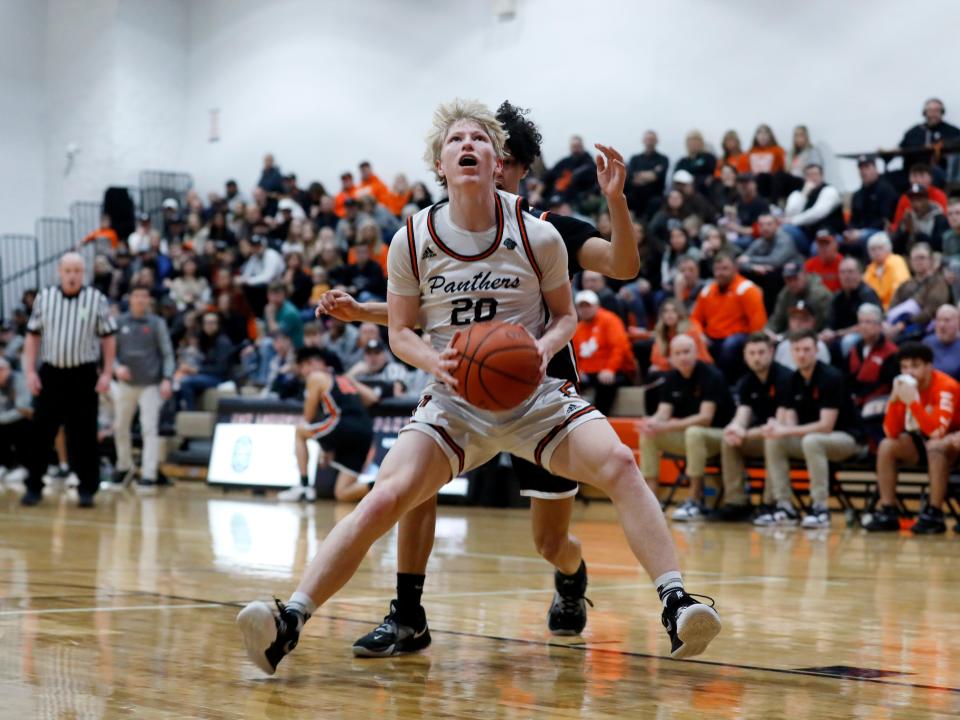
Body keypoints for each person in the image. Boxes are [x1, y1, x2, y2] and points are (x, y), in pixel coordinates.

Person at [237, 99, 720, 676]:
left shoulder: (543, 232)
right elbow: (405, 325)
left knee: (606, 474)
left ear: (504, 162)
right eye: (457, 140)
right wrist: (421, 353)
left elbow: (588, 296)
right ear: (439, 164)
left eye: (482, 141)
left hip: (536, 395)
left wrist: (543, 344)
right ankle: (295, 619)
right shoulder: (412, 238)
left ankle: (672, 600)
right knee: (393, 494)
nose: (470, 146)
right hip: (456, 399)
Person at [315, 100, 643, 646]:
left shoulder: (548, 230)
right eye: (478, 148)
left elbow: (622, 267)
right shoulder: (439, 229)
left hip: (539, 388)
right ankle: (407, 611)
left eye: (504, 155)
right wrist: (367, 312)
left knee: (548, 540)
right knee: (416, 486)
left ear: (516, 167)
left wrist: (617, 203)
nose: (488, 160)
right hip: (467, 384)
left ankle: (570, 573)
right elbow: (444, 313)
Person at [21, 253, 116, 507]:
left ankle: (87, 489)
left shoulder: (96, 299)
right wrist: (30, 370)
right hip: (51, 374)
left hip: (83, 375)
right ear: (59, 272)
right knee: (41, 433)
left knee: (84, 434)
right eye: (68, 270)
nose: (73, 275)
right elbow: (32, 336)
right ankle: (33, 486)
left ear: (83, 273)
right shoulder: (45, 297)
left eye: (77, 270)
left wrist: (107, 372)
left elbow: (108, 337)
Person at [755, 330, 863, 529]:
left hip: (846, 439)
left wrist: (785, 430)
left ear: (816, 351)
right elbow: (789, 420)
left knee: (811, 440)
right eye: (797, 350)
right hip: (811, 438)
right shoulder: (792, 380)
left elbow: (826, 426)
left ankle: (820, 507)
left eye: (806, 349)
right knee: (774, 440)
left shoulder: (831, 377)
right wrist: (775, 426)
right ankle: (783, 505)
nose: (801, 354)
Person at [863, 343, 960, 534]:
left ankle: (934, 513)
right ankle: (888, 510)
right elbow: (891, 432)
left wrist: (913, 403)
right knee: (887, 446)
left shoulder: (945, 386)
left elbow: (937, 431)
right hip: (925, 440)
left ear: (929, 366)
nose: (909, 372)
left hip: (953, 441)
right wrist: (895, 400)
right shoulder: (905, 387)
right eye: (904, 367)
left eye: (915, 366)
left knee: (935, 445)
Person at [640, 335, 734, 521]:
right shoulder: (670, 378)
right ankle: (651, 499)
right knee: (649, 435)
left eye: (686, 352)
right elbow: (663, 412)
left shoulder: (711, 375)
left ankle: (695, 499)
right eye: (678, 353)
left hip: (719, 436)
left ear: (696, 353)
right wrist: (653, 422)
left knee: (694, 432)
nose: (683, 357)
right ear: (671, 358)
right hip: (693, 438)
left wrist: (669, 425)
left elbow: (705, 418)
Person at [707, 334, 793, 522]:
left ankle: (770, 502)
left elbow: (780, 424)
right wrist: (734, 428)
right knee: (729, 440)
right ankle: (737, 501)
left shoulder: (785, 377)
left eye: (761, 352)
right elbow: (743, 413)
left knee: (773, 440)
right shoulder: (747, 381)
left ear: (771, 352)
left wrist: (744, 433)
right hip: (761, 435)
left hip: (785, 436)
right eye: (752, 353)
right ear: (745, 356)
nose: (757, 357)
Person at [278, 347, 378, 503]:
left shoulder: (316, 377)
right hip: (365, 432)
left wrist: (325, 447)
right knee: (342, 493)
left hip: (342, 423)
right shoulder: (344, 378)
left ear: (309, 364)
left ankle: (304, 486)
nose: (303, 373)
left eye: (302, 369)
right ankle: (382, 485)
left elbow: (308, 417)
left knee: (300, 432)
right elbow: (372, 398)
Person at [111, 284, 174, 493]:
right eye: (136, 296)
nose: (140, 300)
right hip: (125, 384)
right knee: (120, 427)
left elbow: (167, 353)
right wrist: (117, 368)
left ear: (149, 300)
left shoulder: (157, 323)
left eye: (144, 296)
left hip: (150, 384)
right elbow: (110, 353)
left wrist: (167, 378)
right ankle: (124, 466)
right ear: (130, 299)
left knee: (149, 428)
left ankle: (149, 474)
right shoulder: (119, 322)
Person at [690, 252, 767, 379]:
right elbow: (694, 318)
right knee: (692, 340)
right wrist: (700, 334)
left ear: (735, 268)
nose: (720, 273)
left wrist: (753, 347)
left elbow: (758, 324)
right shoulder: (707, 291)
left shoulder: (747, 289)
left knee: (730, 344)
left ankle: (723, 381)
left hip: (738, 338)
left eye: (725, 269)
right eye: (717, 269)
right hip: (712, 338)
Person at [572, 290, 635, 416]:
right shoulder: (578, 328)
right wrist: (578, 372)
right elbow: (575, 356)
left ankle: (601, 417)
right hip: (589, 373)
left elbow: (619, 347)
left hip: (616, 370)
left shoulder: (609, 320)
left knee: (605, 383)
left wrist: (610, 369)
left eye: (588, 306)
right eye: (581, 306)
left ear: (597, 305)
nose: (585, 310)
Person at [884, 242, 951, 342]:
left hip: (923, 328)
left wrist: (903, 324)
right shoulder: (905, 284)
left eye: (922, 257)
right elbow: (893, 305)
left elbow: (930, 312)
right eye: (915, 258)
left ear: (931, 260)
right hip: (896, 324)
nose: (918, 261)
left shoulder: (938, 282)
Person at [845, 303, 899, 414]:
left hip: (879, 402)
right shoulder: (854, 349)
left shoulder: (891, 352)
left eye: (868, 322)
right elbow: (846, 378)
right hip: (854, 401)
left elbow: (888, 384)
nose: (863, 326)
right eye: (861, 322)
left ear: (879, 326)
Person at [174, 312, 233, 411]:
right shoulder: (207, 340)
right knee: (177, 381)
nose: (209, 326)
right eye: (206, 323)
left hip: (220, 378)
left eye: (212, 323)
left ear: (218, 324)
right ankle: (175, 416)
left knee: (186, 382)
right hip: (207, 375)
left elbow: (221, 369)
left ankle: (191, 414)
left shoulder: (223, 342)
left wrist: (196, 370)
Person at [782, 164, 844, 252]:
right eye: (809, 175)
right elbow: (790, 213)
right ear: (804, 178)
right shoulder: (798, 193)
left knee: (816, 248)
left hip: (828, 234)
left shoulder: (830, 190)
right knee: (786, 228)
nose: (812, 178)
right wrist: (804, 194)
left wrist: (793, 221)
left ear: (822, 176)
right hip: (806, 235)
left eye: (815, 174)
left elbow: (818, 213)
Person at [844, 155, 897, 253]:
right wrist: (850, 231)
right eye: (861, 168)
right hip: (859, 233)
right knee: (838, 240)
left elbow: (885, 219)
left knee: (866, 238)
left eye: (867, 167)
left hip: (880, 232)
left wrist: (861, 232)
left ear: (875, 168)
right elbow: (853, 219)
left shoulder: (885, 190)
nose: (863, 171)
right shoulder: (857, 195)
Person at [766, 262, 832, 335]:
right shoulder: (785, 294)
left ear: (804, 275)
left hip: (818, 336)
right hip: (791, 335)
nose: (792, 283)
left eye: (795, 278)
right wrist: (767, 332)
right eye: (788, 279)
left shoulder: (820, 295)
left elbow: (823, 322)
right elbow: (777, 319)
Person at [898, 98, 960, 175]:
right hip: (912, 172)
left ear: (942, 112)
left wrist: (941, 145)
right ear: (924, 113)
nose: (933, 114)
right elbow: (900, 148)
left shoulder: (952, 131)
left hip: (941, 172)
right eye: (930, 111)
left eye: (937, 110)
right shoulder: (913, 132)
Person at [772, 302, 831, 370]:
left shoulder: (820, 346)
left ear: (813, 321)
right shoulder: (782, 346)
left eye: (803, 319)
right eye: (794, 318)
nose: (798, 323)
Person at [0, 357, 31, 485]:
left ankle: (22, 466)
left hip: (25, 420)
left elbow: (23, 409)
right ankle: (4, 465)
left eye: (1, 370)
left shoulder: (19, 380)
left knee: (20, 425)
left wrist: (1, 418)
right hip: (4, 420)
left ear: (9, 369)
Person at [891, 184, 948, 254]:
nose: (915, 204)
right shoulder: (907, 218)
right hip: (909, 257)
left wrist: (916, 233)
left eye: (919, 200)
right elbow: (895, 248)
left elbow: (939, 247)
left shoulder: (939, 218)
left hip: (931, 257)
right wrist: (905, 231)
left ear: (927, 200)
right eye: (912, 200)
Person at [238, 235, 285, 316]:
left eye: (258, 246)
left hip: (278, 285)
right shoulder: (254, 257)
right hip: (263, 287)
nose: (256, 248)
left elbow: (267, 277)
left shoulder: (271, 255)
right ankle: (254, 315)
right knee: (244, 288)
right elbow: (246, 274)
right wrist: (242, 280)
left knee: (256, 287)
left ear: (263, 246)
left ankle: (262, 315)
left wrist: (246, 281)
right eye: (254, 246)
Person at [863, 232, 910, 310]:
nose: (876, 252)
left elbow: (900, 287)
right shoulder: (870, 269)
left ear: (888, 248)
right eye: (873, 249)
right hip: (875, 309)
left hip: (895, 306)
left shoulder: (896, 261)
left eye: (880, 248)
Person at [626, 130, 668, 216]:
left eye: (652, 139)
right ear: (643, 140)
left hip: (654, 196)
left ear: (657, 141)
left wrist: (639, 175)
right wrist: (651, 174)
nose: (649, 142)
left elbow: (656, 177)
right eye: (647, 139)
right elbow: (631, 177)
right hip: (635, 196)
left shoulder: (663, 159)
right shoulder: (635, 158)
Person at [923, 304, 960, 377]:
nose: (941, 325)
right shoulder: (927, 342)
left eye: (947, 320)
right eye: (938, 320)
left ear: (958, 322)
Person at [674, 130, 716, 194]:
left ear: (701, 143)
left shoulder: (709, 158)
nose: (693, 144)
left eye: (696, 141)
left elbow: (711, 177)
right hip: (684, 194)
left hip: (705, 193)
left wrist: (695, 180)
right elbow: (677, 178)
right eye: (691, 141)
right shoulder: (682, 162)